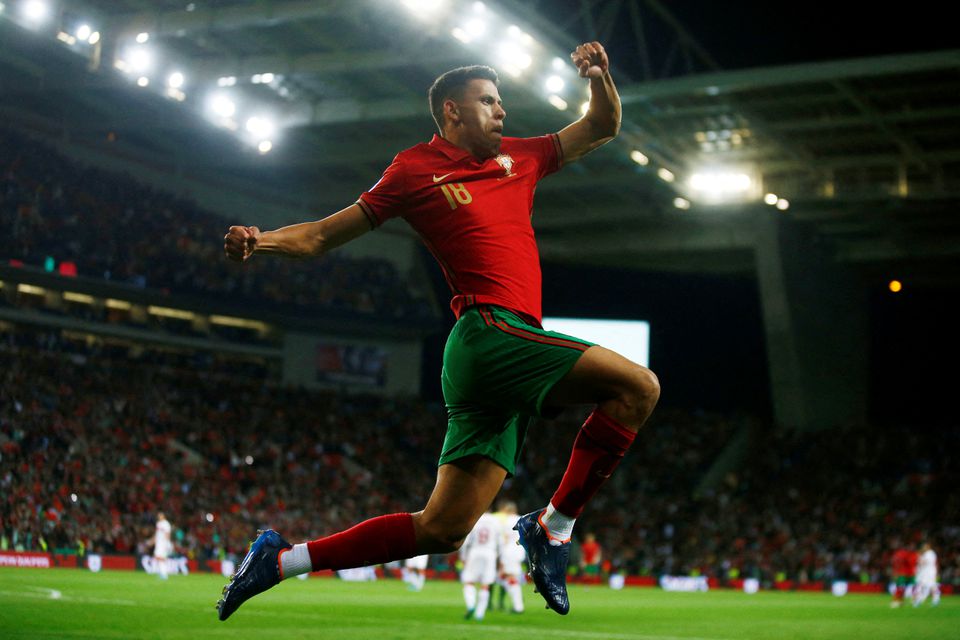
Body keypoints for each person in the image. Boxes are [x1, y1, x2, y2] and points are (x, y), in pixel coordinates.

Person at [217, 40, 660, 621]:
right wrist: (262, 240)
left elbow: (602, 124)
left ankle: (280, 561)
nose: (502, 111)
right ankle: (553, 530)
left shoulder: (522, 158)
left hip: (494, 355)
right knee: (639, 388)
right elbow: (324, 235)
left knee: (444, 528)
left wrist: (600, 74)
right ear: (452, 111)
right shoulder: (414, 169)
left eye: (501, 102)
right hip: (490, 331)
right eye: (488, 101)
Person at [460, 510, 502, 621]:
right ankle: (480, 614)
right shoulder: (496, 521)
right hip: (490, 552)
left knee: (469, 581)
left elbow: (466, 540)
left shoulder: (474, 519)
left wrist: (463, 557)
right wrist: (499, 558)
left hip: (475, 551)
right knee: (485, 585)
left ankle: (471, 605)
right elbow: (500, 542)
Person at [495, 500, 526, 614]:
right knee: (508, 577)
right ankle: (517, 602)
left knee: (508, 577)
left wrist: (500, 554)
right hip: (519, 551)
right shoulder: (523, 519)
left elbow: (503, 539)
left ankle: (518, 606)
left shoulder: (505, 521)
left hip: (509, 552)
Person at [889, 542, 917, 608]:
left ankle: (900, 601)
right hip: (905, 574)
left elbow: (895, 564)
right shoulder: (906, 554)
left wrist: (895, 573)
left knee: (903, 588)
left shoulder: (898, 554)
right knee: (902, 588)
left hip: (907, 574)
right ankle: (899, 601)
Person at [912, 542, 940, 607]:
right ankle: (920, 600)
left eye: (924, 546)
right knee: (926, 585)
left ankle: (934, 599)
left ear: (928, 546)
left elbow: (924, 562)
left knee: (930, 585)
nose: (923, 547)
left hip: (929, 572)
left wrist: (918, 558)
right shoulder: (927, 553)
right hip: (926, 572)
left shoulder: (930, 553)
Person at [151, 512, 173, 580]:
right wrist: (153, 541)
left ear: (164, 516)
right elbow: (157, 534)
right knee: (158, 557)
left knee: (160, 557)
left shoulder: (166, 524)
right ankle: (162, 573)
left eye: (160, 515)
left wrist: (168, 542)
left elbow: (167, 533)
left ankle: (164, 574)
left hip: (163, 543)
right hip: (159, 543)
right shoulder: (158, 523)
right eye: (158, 515)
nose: (159, 516)